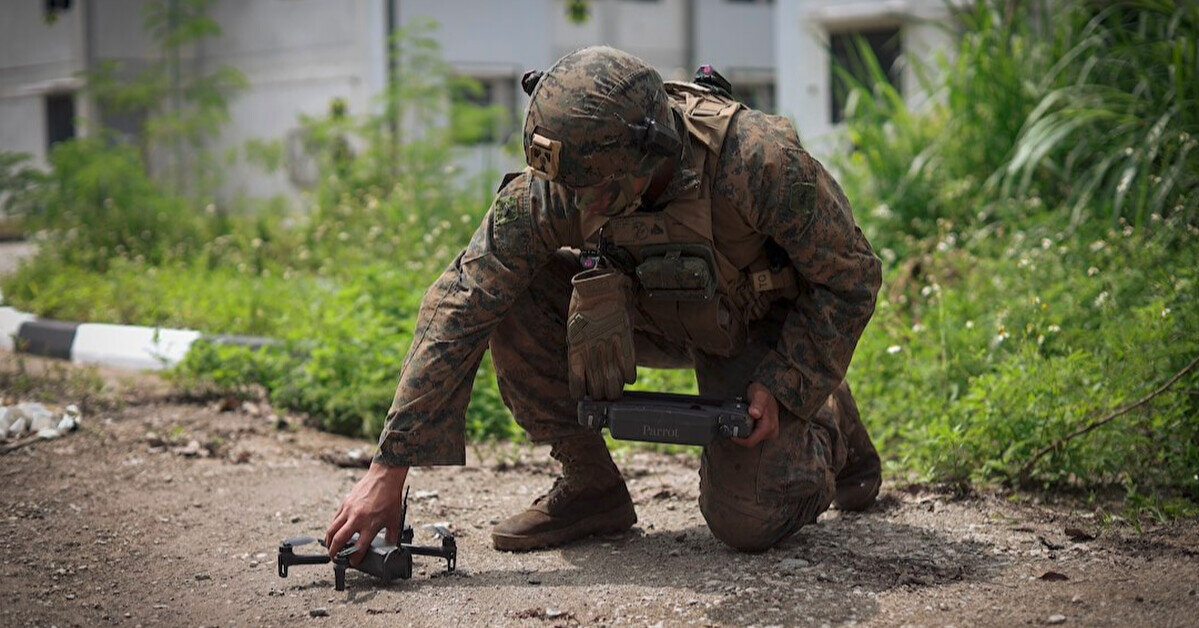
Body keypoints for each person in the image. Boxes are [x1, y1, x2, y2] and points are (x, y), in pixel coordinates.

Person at [325, 46, 882, 561]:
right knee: (512, 292)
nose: (573, 201)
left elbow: (852, 277)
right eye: (565, 185)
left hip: (755, 328)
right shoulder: (568, 179)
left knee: (747, 522)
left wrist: (788, 382)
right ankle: (590, 487)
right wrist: (389, 466)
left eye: (592, 190)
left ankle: (827, 416)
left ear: (651, 153)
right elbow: (464, 298)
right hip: (642, 316)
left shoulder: (758, 162)